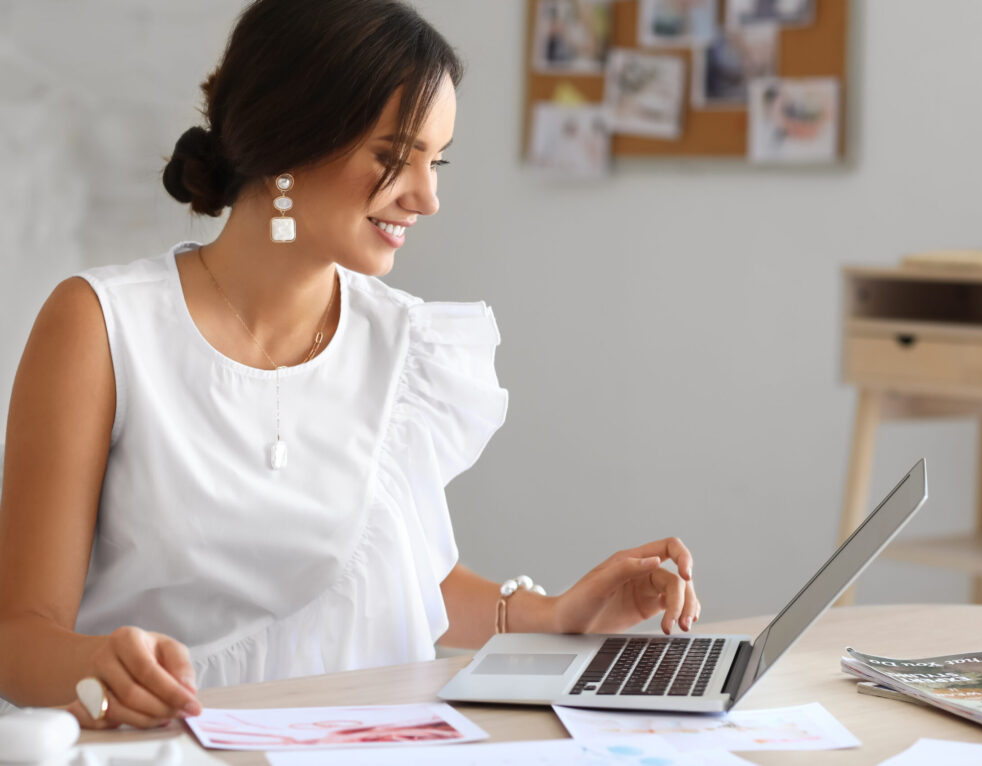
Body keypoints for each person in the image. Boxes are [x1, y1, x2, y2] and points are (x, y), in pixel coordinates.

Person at [0, 0, 700, 730]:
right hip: (173, 745)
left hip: (369, 743)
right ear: (288, 138)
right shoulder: (104, 327)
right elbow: (18, 638)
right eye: (395, 157)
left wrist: (553, 615)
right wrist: (98, 663)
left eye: (437, 160)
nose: (428, 197)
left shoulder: (407, 345)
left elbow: (383, 579)